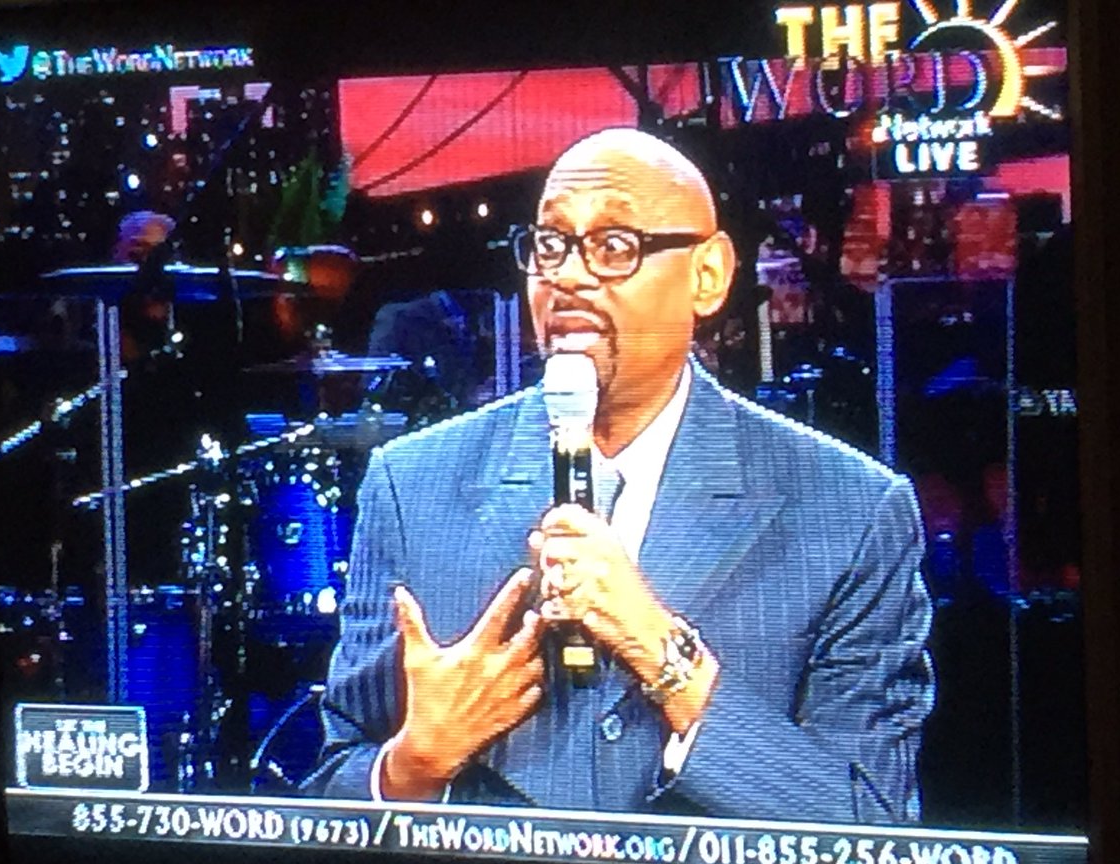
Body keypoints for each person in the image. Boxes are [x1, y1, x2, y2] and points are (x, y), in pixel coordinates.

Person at [304, 128, 934, 823]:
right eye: (550, 244)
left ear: (707, 275)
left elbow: (873, 831)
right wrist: (415, 763)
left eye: (613, 246)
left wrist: (668, 658)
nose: (568, 277)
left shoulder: (851, 513)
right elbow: (328, 799)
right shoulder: (412, 486)